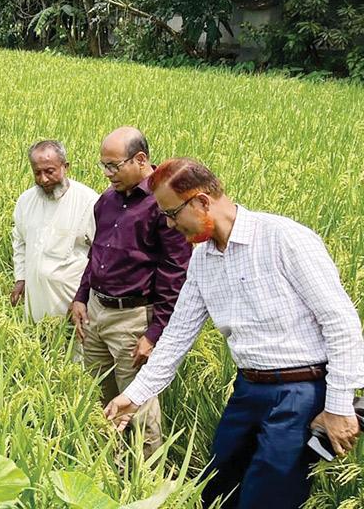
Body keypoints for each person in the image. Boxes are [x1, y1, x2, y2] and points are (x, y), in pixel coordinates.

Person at [105, 158, 364, 508]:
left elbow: (341, 322)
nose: (168, 223)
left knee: (267, 499)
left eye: (172, 213)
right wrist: (134, 396)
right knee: (216, 489)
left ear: (201, 202)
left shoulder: (283, 239)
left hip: (300, 394)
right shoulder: (203, 260)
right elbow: (178, 334)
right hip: (248, 391)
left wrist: (337, 407)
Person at [69, 127, 192, 457]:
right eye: (103, 166)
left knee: (138, 407)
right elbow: (97, 253)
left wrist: (154, 333)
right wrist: (82, 297)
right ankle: (109, 468)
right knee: (98, 399)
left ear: (141, 160)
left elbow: (175, 273)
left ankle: (147, 481)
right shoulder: (107, 201)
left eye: (114, 166)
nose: (108, 174)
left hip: (133, 319)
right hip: (96, 313)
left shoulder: (163, 204)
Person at [10, 140, 98, 324]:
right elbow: (19, 242)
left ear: (65, 167)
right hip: (35, 299)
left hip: (72, 302)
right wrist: (20, 278)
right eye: (37, 173)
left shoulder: (88, 202)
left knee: (70, 349)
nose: (43, 179)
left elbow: (100, 253)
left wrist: (82, 298)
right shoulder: (25, 201)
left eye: (49, 171)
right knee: (36, 344)